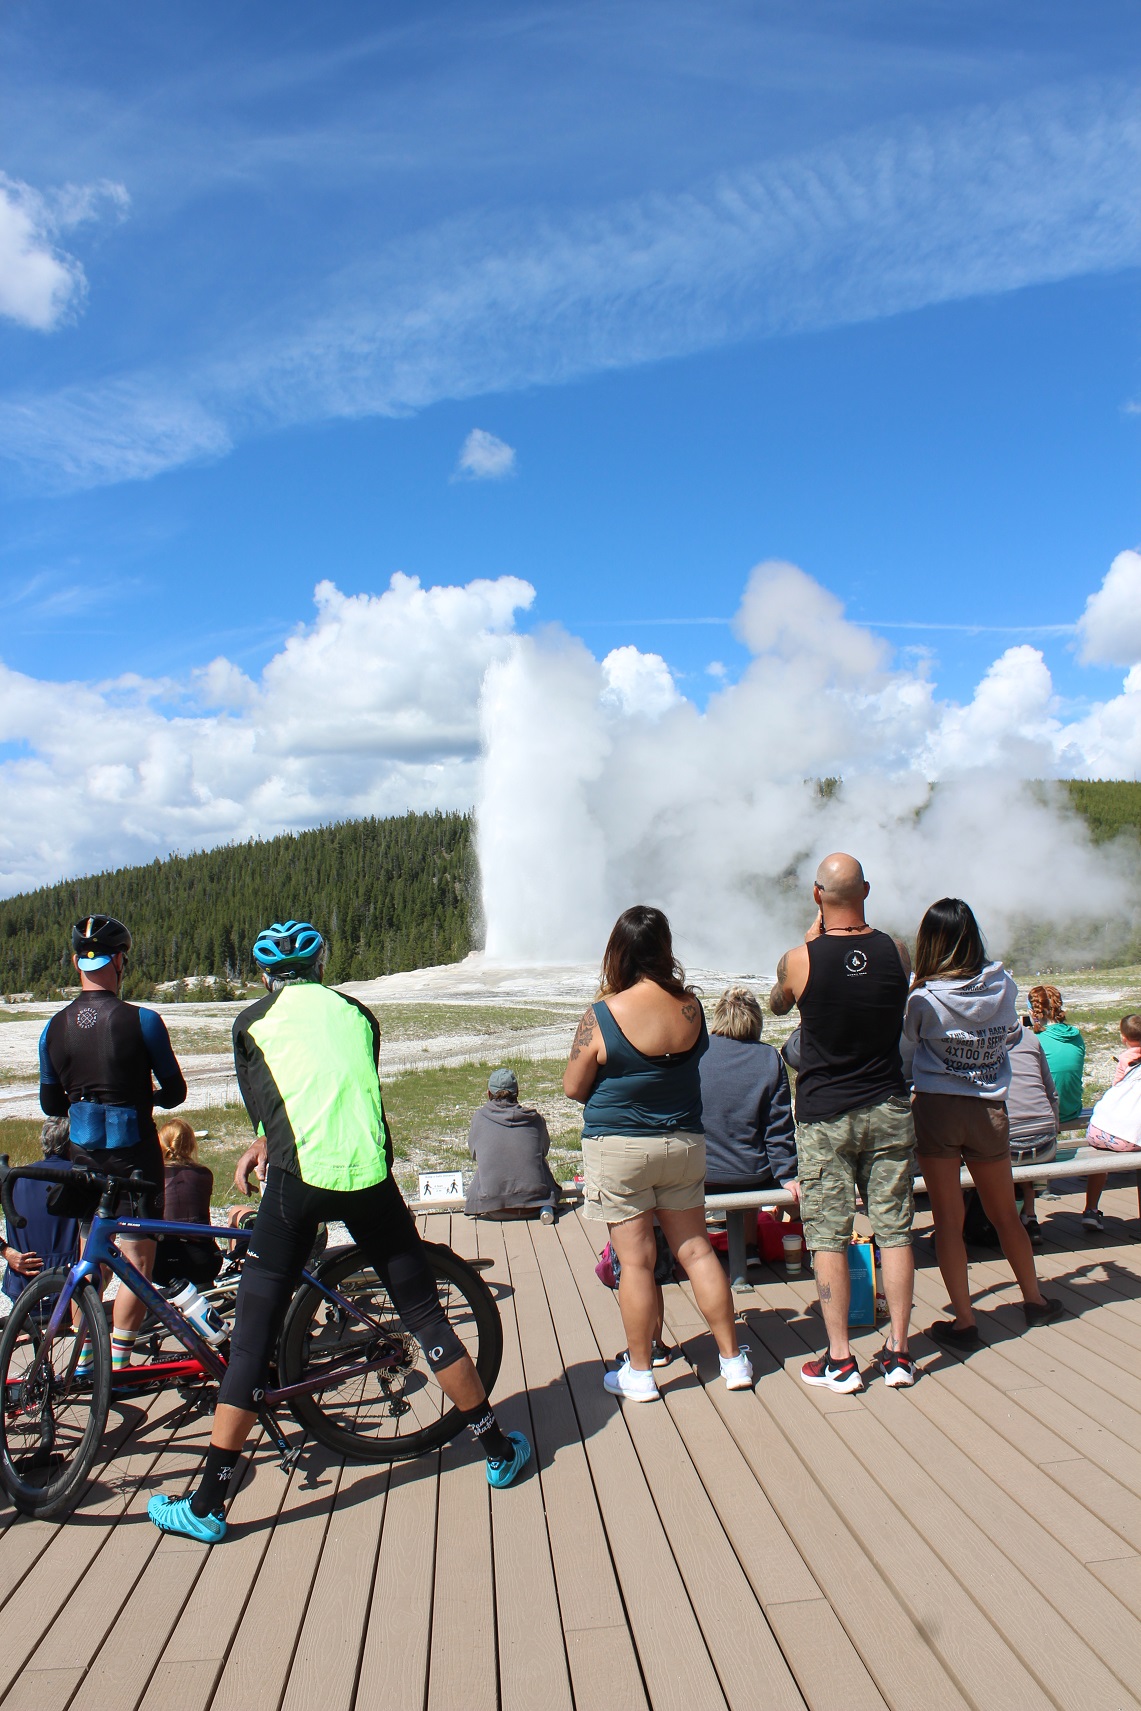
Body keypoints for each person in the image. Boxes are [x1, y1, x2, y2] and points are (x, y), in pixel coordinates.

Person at [148, 920, 529, 1545]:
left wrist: (262, 1147)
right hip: (370, 1178)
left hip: (298, 1179)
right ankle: (495, 1449)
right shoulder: (358, 1014)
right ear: (322, 965)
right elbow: (348, 1091)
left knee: (250, 1341)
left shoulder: (251, 1023)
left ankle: (209, 1501)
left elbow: (273, 1105)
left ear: (268, 974)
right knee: (426, 1316)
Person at [564, 904, 753, 1401]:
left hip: (620, 1148)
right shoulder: (690, 1006)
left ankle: (642, 1373)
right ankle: (733, 1362)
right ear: (665, 949)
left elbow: (572, 1087)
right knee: (696, 1250)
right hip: (684, 1142)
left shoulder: (602, 1015)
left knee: (637, 1261)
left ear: (618, 951)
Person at [770, 853, 917, 1392]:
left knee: (828, 1236)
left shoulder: (799, 958)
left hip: (824, 1113)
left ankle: (839, 1360)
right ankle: (899, 1353)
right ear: (867, 890)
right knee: (895, 1229)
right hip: (888, 1105)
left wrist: (810, 939)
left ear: (816, 896)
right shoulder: (897, 952)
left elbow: (778, 1005)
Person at [904, 898, 1062, 1349]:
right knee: (1005, 1215)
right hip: (989, 1109)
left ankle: (965, 1323)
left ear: (930, 942)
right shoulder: (1004, 985)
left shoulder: (923, 998)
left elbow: (907, 1050)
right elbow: (1013, 1035)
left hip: (937, 1108)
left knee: (948, 1222)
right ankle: (1034, 1300)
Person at [39, 916, 186, 1372]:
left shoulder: (53, 1028)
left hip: (83, 1153)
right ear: (120, 960)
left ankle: (85, 1361)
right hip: (135, 1155)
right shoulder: (143, 1021)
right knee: (138, 1261)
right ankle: (117, 1363)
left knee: (92, 1259)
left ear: (74, 961)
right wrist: (144, 1097)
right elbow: (176, 1091)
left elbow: (50, 1102)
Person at [700, 986, 797, 1202]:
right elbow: (777, 1127)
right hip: (751, 1173)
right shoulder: (769, 1057)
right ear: (755, 1019)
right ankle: (750, 1236)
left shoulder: (697, 1052)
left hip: (698, 1173)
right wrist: (787, 1175)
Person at [465, 1068, 561, 1222]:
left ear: (489, 1093)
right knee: (541, 1165)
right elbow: (544, 1150)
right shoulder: (535, 1119)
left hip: (493, 1206)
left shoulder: (479, 1118)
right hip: (535, 1204)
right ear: (517, 1092)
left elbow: (475, 1155)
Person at [2, 1117, 80, 1305]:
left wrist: (6, 1251)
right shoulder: (82, 1178)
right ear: (73, 1143)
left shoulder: (15, 1178)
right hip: (73, 1294)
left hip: (24, 1293)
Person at [1080, 1013, 1141, 1232]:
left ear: (1124, 1037)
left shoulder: (1125, 1058)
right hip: (1131, 1137)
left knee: (1100, 1156)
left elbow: (1117, 1088)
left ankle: (1091, 1208)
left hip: (1102, 1131)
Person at [1005, 1023, 1060, 1245]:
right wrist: (1054, 1125)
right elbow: (1051, 1092)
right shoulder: (1030, 1038)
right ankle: (1030, 1215)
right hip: (1045, 1142)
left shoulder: (981, 1042)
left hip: (1007, 1147)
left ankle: (1006, 1217)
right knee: (1028, 1155)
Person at [153, 1118, 223, 1291]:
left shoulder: (155, 1175)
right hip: (204, 1261)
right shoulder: (204, 1174)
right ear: (191, 1144)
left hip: (163, 1262)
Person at [1026, 986, 1086, 1122]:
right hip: (1072, 1109)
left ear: (1032, 1012)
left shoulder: (1034, 1040)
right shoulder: (1076, 1036)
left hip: (1046, 1113)